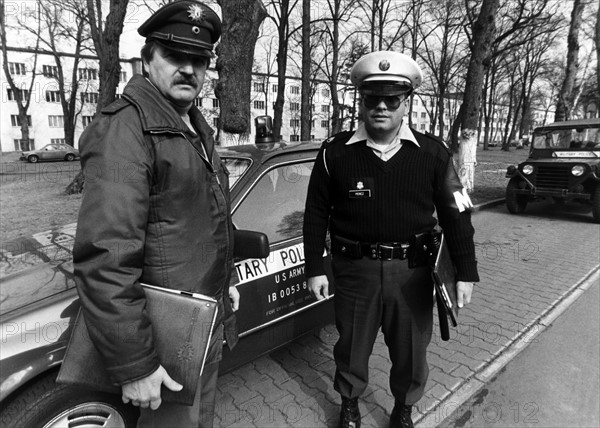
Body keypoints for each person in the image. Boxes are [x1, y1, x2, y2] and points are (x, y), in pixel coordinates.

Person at [72, 1, 239, 427]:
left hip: (202, 321)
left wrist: (227, 279)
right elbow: (105, 256)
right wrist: (136, 364)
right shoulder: (128, 129)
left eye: (198, 59)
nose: (188, 69)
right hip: (163, 339)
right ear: (146, 60)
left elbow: (203, 216)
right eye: (174, 56)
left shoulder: (192, 126)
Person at [303, 51, 479, 428]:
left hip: (413, 274)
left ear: (405, 103)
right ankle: (349, 403)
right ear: (361, 102)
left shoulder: (433, 154)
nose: (381, 106)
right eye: (372, 98)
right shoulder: (335, 152)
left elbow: (457, 214)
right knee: (350, 347)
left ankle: (404, 407)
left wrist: (466, 271)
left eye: (391, 99)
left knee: (412, 351)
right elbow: (316, 212)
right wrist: (314, 267)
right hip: (354, 271)